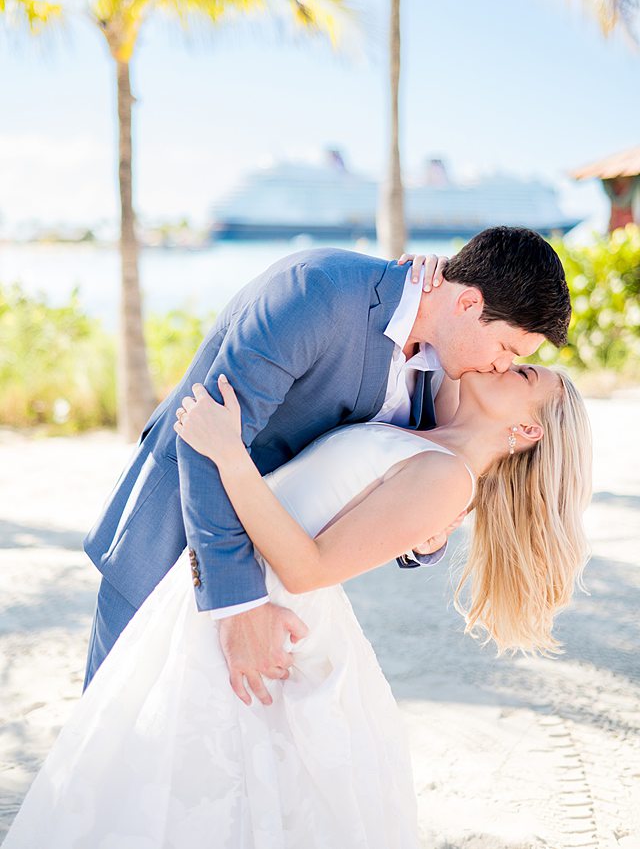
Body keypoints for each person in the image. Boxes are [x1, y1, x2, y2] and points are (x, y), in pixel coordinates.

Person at [3, 358, 592, 848]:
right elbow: (458, 333)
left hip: (268, 613)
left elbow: (308, 567)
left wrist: (229, 455)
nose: (503, 361)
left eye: (523, 374)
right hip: (231, 591)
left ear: (528, 431)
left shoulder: (450, 479)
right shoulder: (438, 433)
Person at [82, 226, 572, 709]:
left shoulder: (448, 369)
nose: (502, 365)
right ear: (468, 305)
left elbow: (409, 476)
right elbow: (203, 432)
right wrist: (238, 605)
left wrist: (427, 536)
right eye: (508, 349)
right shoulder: (317, 292)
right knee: (109, 739)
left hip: (277, 591)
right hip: (173, 541)